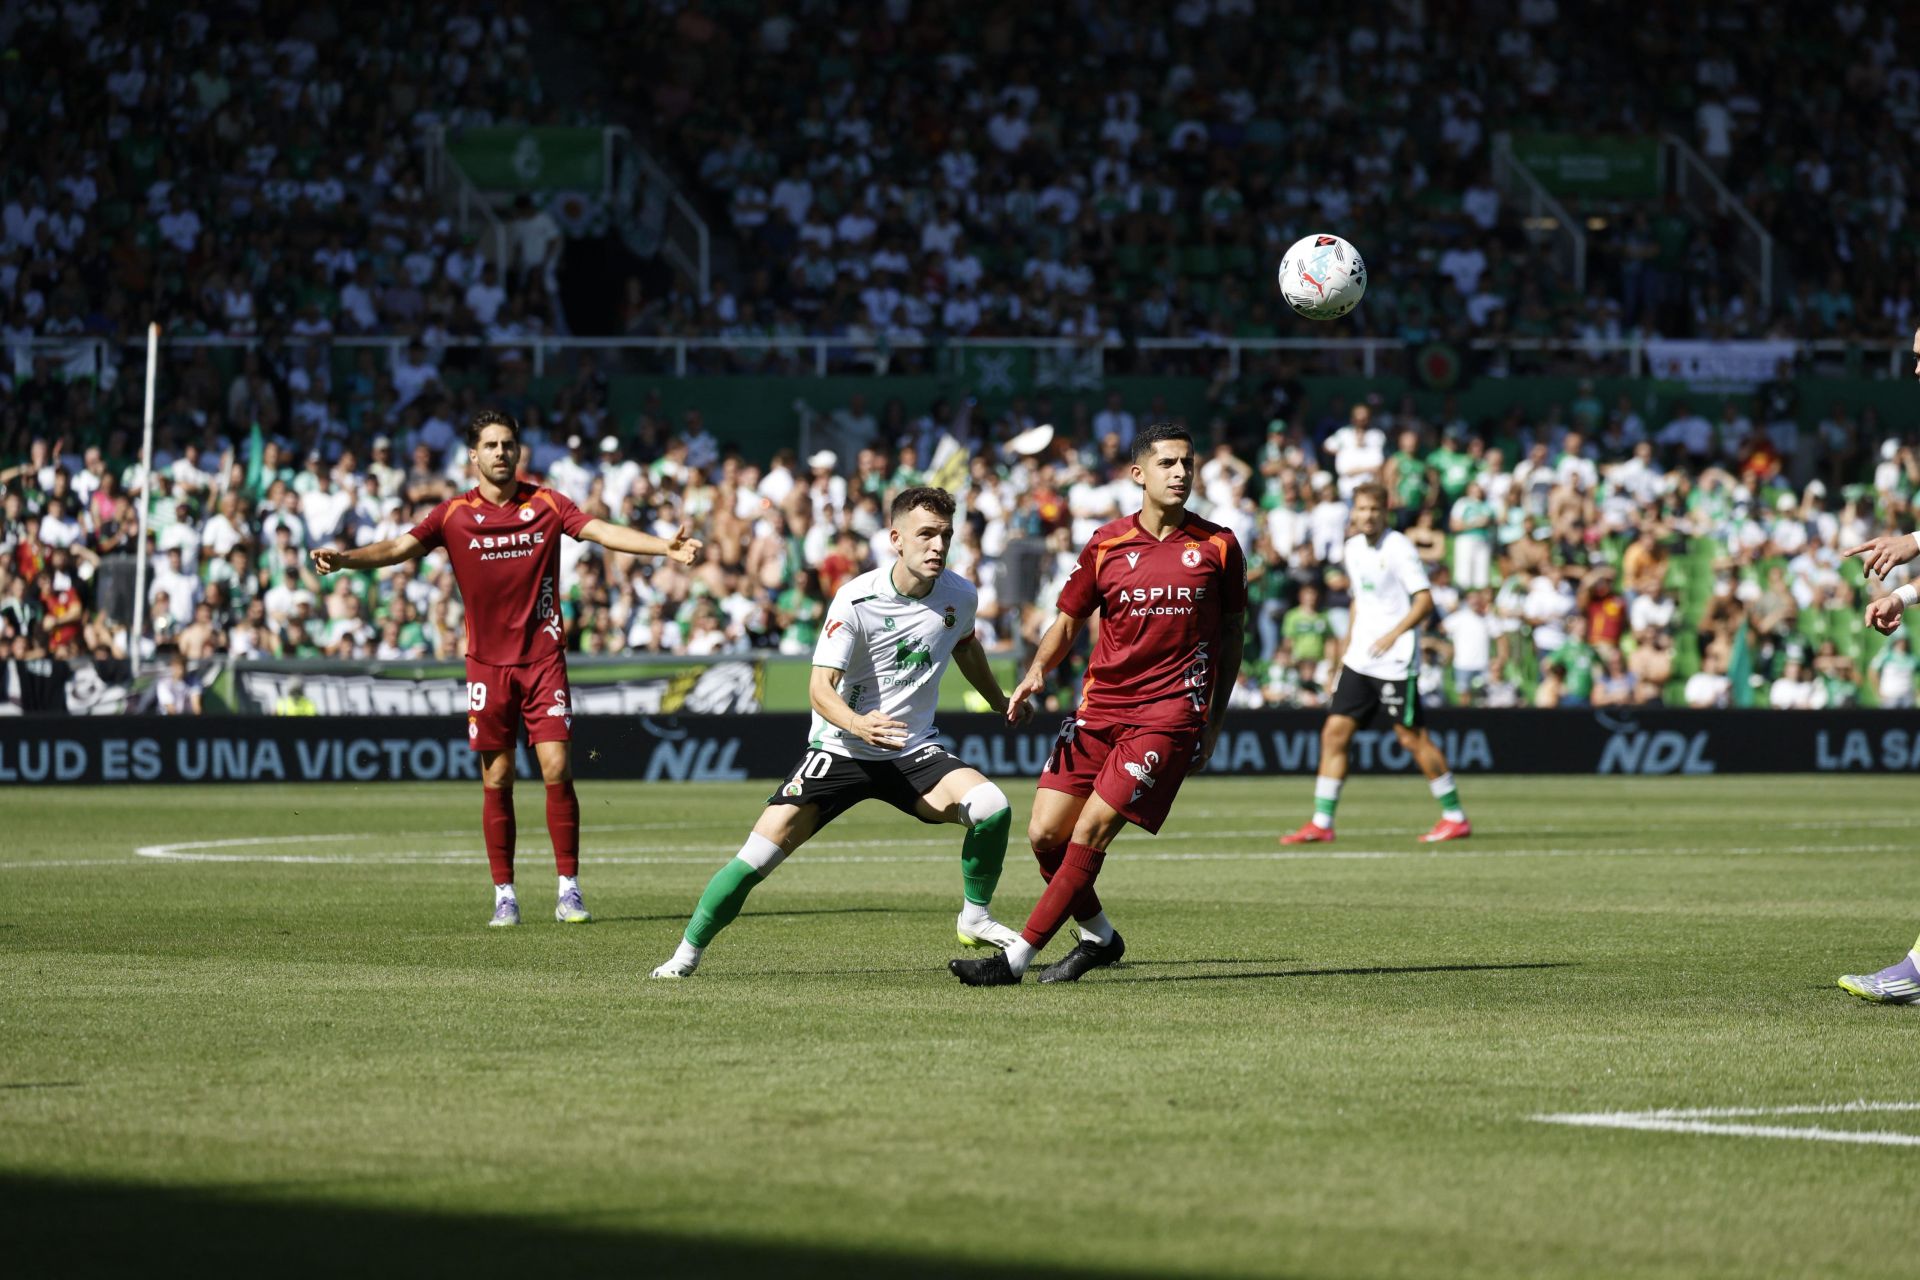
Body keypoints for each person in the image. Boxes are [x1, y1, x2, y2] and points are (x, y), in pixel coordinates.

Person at [311, 409, 702, 927]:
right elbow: (398, 548)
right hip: (486, 667)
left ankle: (569, 888)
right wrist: (344, 558)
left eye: (508, 445)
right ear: (473, 456)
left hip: (543, 660)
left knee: (557, 768)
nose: (501, 453)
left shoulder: (545, 504)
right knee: (497, 778)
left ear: (518, 452)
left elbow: (601, 531)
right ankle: (505, 893)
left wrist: (662, 547)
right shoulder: (451, 514)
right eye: (491, 446)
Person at [649, 487, 1029, 978]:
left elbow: (965, 645)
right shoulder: (856, 598)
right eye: (926, 534)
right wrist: (856, 724)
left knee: (992, 807)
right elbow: (819, 687)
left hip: (911, 750)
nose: (938, 546)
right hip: (841, 748)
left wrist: (1000, 701)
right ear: (895, 538)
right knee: (757, 857)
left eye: (946, 536)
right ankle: (685, 955)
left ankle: (975, 916)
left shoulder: (960, 594)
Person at [949, 423, 1246, 986]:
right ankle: (1101, 938)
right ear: (1138, 474)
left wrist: (1213, 719)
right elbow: (1067, 621)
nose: (1181, 473)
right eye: (1168, 464)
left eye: (1187, 463)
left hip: (1167, 714)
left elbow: (1232, 638)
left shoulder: (1219, 545)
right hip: (1098, 709)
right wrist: (1037, 669)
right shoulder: (1106, 543)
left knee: (1090, 832)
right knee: (1045, 836)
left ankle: (1015, 959)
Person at [1278, 482, 1471, 845]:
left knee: (1411, 738)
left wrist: (1394, 634)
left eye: (1374, 510)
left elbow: (1425, 601)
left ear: (1386, 513)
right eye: (1362, 509)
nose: (1367, 516)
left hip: (1395, 661)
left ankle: (1454, 816)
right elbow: (1359, 602)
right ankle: (1322, 822)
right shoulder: (1352, 548)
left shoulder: (1398, 548)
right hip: (1360, 659)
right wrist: (1346, 651)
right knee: (1334, 733)